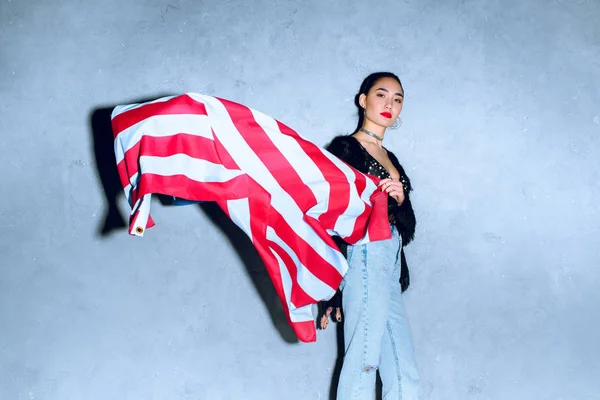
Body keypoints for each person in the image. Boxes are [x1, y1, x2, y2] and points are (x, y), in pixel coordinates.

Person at [318, 72, 419, 399]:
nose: (390, 104)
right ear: (363, 100)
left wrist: (400, 199)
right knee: (363, 362)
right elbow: (333, 215)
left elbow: (408, 225)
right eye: (381, 94)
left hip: (390, 258)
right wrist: (335, 288)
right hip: (363, 252)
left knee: (405, 374)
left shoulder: (393, 160)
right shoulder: (345, 148)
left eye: (398, 98)